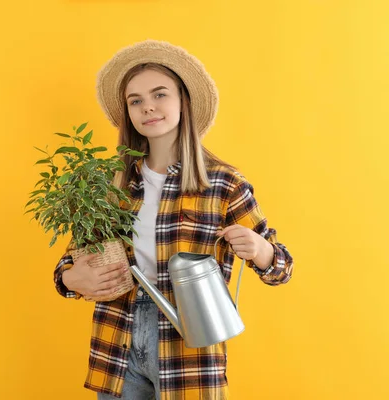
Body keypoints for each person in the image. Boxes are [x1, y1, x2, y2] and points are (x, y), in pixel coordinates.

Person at [53, 39, 294, 400]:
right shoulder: (107, 186)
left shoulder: (224, 184)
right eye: (135, 100)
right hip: (117, 340)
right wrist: (72, 277)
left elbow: (282, 268)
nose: (147, 106)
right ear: (128, 113)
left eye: (160, 94)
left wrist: (260, 251)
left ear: (184, 102)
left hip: (189, 346)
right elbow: (67, 268)